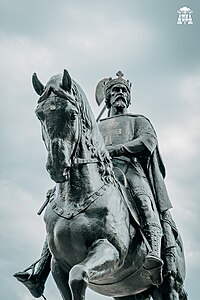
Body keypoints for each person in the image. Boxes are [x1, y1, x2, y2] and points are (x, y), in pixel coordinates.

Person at [14, 71, 178, 297]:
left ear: (128, 98)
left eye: (123, 91)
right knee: (60, 203)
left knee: (143, 198)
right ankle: (40, 269)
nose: (119, 94)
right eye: (114, 91)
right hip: (98, 171)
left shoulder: (137, 120)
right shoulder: (96, 125)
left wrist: (116, 150)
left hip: (129, 170)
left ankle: (154, 254)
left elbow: (147, 142)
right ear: (108, 98)